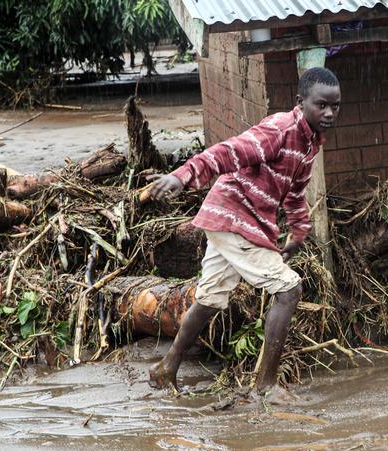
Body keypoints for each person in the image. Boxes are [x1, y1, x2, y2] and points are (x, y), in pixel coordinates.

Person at [144, 66, 342, 393]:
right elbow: (229, 152)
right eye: (321, 105)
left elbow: (295, 191)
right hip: (235, 216)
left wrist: (299, 230)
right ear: (301, 102)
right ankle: (266, 386)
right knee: (289, 290)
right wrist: (182, 175)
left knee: (210, 298)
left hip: (232, 219)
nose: (330, 113)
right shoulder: (280, 130)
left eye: (335, 106)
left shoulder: (310, 142)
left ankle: (166, 368)